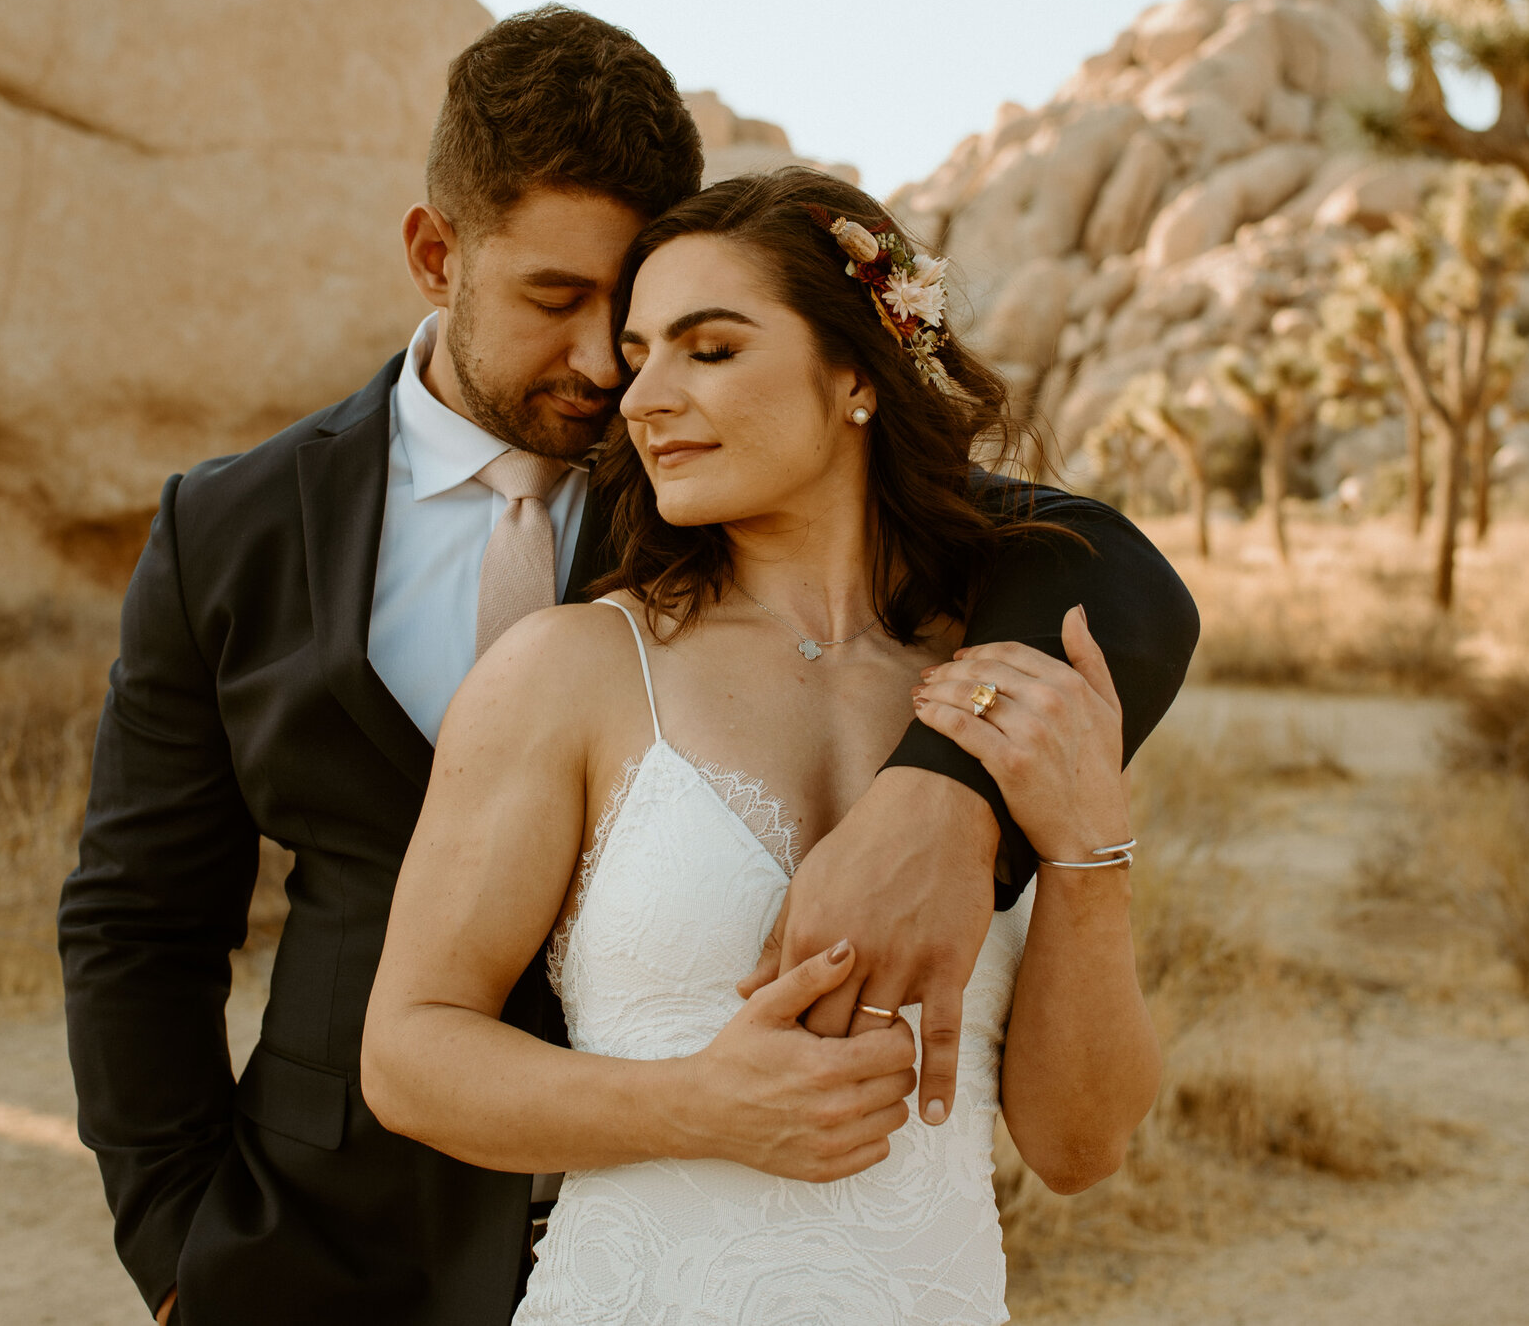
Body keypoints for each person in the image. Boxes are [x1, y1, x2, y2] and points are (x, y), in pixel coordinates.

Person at [60, 7, 1198, 1326]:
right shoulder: (235, 528)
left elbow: (1104, 567)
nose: (614, 367)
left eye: (655, 317)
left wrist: (942, 788)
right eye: (559, 300)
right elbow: (140, 919)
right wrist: (178, 1250)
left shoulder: (733, 481)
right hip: (340, 1235)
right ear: (438, 255)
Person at [362, 169, 1163, 1323]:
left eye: (711, 349)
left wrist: (1089, 858)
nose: (643, 397)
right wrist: (701, 1106)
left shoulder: (1004, 687)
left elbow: (1079, 1147)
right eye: (640, 356)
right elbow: (406, 1056)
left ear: (855, 374)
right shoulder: (573, 670)